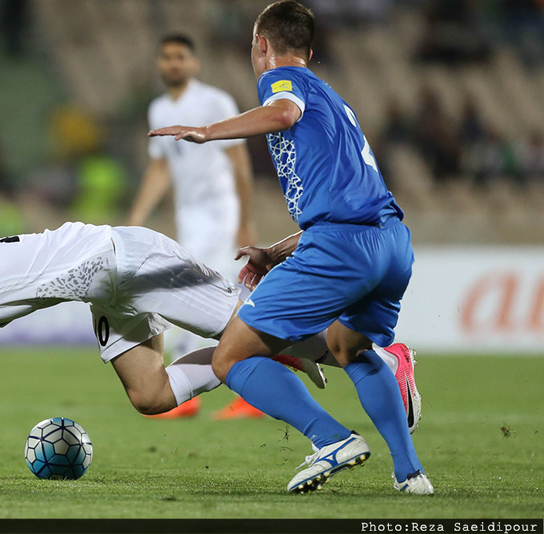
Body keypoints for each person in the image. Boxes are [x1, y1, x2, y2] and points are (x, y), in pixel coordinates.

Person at [0, 219, 333, 484]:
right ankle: (262, 349)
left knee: (256, 324)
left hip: (130, 261)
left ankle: (374, 351)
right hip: (107, 286)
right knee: (151, 395)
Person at [149, 0, 432, 494]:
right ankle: (411, 474)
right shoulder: (336, 101)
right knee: (349, 347)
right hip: (389, 241)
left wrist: (208, 132)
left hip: (342, 247)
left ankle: (331, 439)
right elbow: (352, 195)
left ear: (261, 45)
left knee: (230, 359)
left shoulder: (283, 81)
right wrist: (278, 250)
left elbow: (281, 112)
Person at [127, 34, 262, 419]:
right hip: (190, 216)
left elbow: (240, 162)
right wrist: (137, 216)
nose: (173, 64)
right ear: (159, 63)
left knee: (193, 296)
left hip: (220, 211)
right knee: (208, 299)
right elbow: (161, 167)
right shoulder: (157, 110)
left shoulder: (214, 101)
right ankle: (230, 392)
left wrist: (245, 219)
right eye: (167, 57)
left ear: (194, 63)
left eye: (180, 57)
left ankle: (228, 392)